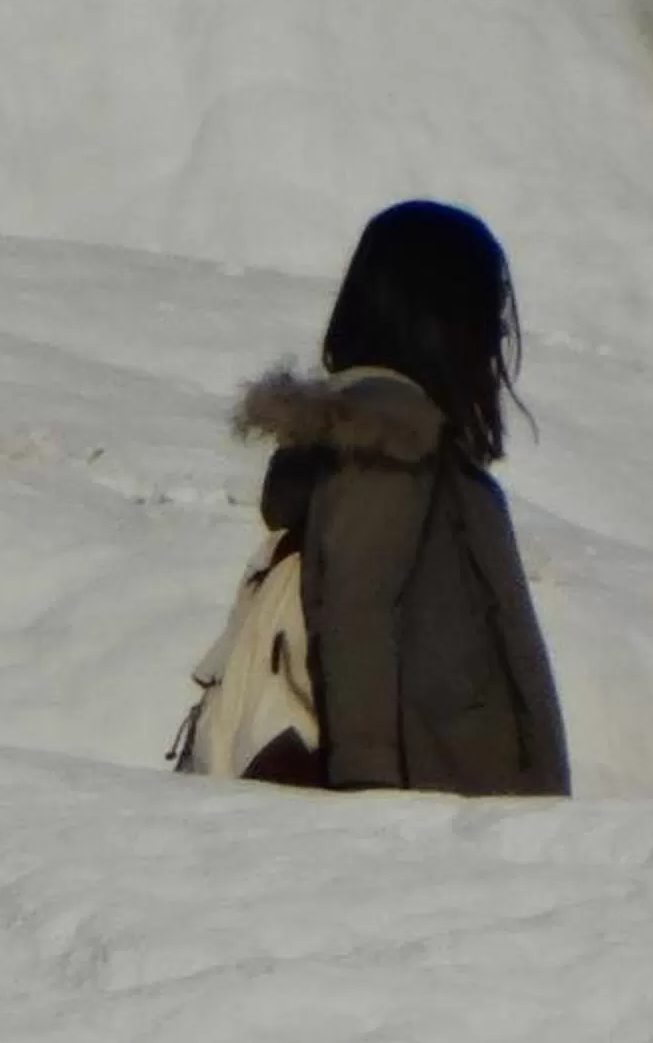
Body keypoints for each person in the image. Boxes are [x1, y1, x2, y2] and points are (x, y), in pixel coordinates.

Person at [230, 199, 570, 796]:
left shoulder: (406, 443)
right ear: (442, 317)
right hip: (428, 803)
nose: (496, 335)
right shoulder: (388, 442)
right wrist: (371, 796)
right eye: (486, 310)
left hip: (441, 803)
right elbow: (356, 613)